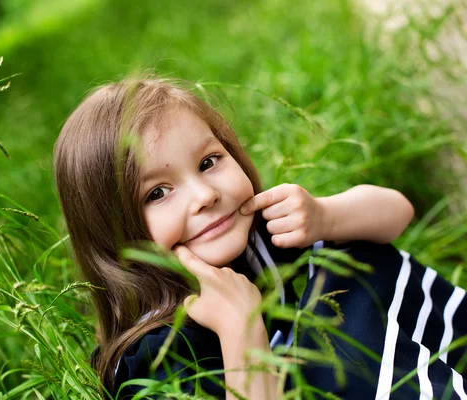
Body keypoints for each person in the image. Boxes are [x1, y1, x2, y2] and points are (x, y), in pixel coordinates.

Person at [53, 77, 467, 399]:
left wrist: (326, 216)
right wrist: (239, 327)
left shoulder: (265, 235)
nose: (205, 195)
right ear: (112, 237)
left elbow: (398, 213)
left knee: (347, 248)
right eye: (157, 193)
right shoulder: (154, 362)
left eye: (208, 161)